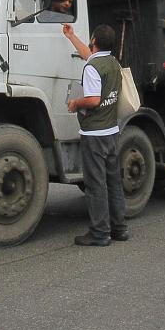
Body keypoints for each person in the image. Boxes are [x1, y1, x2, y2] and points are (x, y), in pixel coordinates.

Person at [62, 22, 129, 246]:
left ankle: (100, 233)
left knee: (96, 185)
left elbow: (93, 100)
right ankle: (119, 229)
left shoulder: (92, 68)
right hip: (111, 132)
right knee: (113, 182)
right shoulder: (112, 63)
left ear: (94, 42)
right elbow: (88, 56)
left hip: (95, 134)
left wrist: (74, 103)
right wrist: (71, 36)